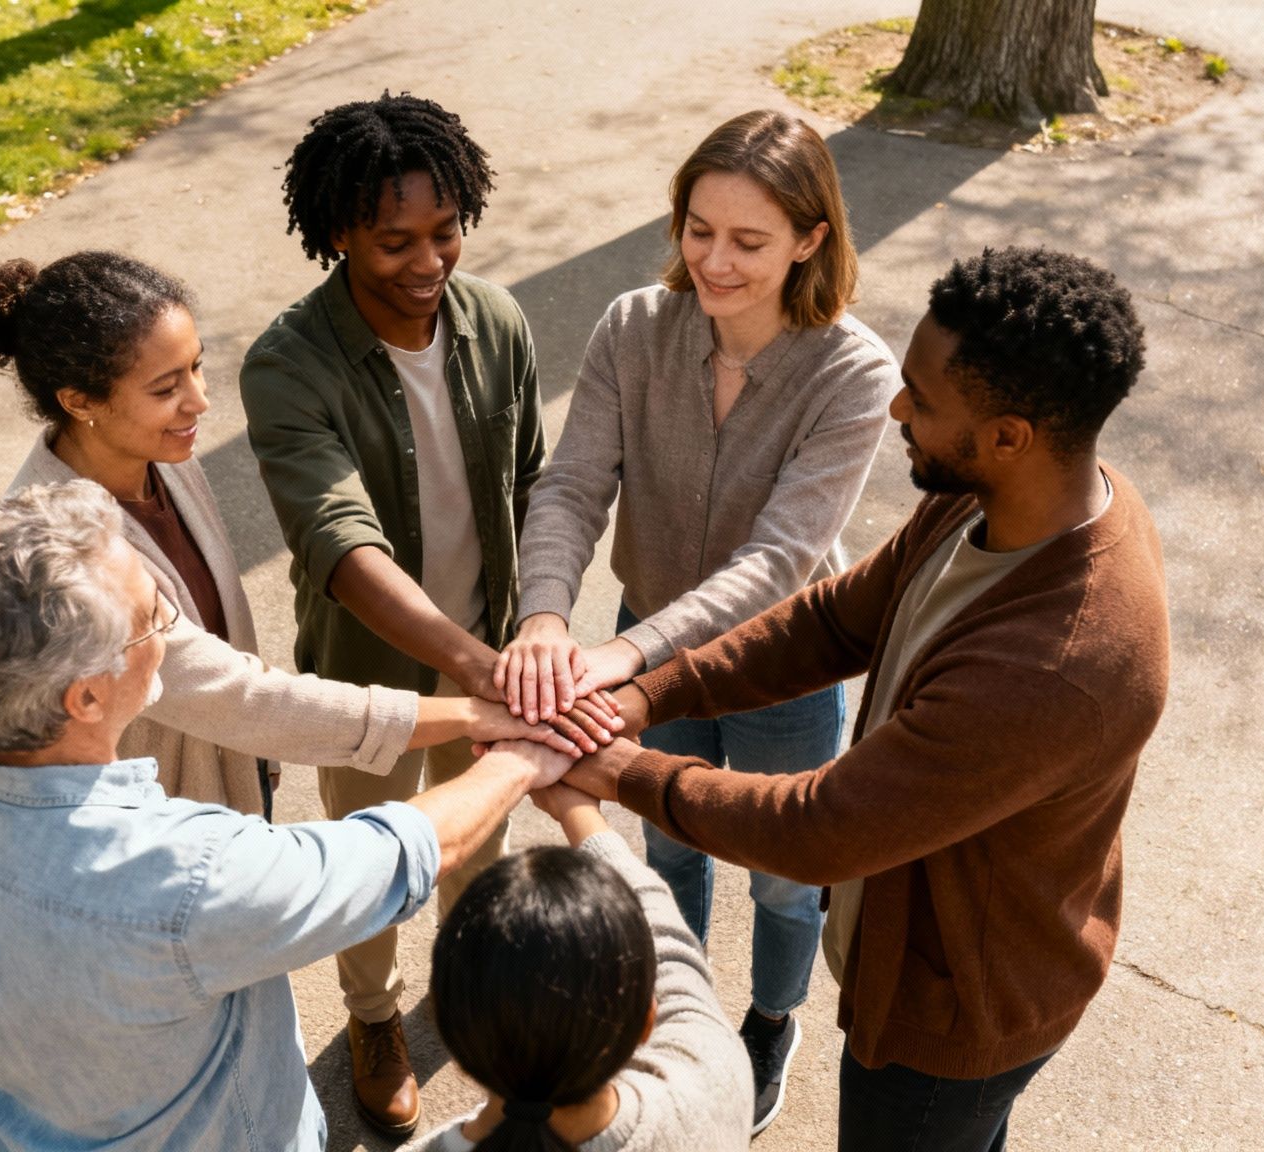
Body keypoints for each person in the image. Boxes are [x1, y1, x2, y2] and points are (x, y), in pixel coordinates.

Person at [563, 247, 1170, 1152]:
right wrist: (656, 691)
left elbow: (822, 827)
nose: (897, 411)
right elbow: (837, 619)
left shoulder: (1055, 663)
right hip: (927, 950)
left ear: (1009, 435)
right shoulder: (995, 502)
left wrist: (621, 774)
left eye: (922, 401)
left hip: (956, 1008)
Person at [0, 480, 578, 1152]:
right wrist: (521, 760)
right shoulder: (181, 875)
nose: (170, 629)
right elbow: (402, 852)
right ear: (83, 697)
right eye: (151, 620)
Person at [497, 108, 901, 1132]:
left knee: (779, 874)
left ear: (811, 238)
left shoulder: (852, 373)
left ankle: (770, 1018)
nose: (714, 262)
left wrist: (625, 657)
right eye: (696, 230)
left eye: (749, 241)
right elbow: (573, 484)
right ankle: (683, 1021)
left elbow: (777, 564)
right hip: (641, 640)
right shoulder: (634, 325)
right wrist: (545, 618)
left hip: (780, 665)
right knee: (668, 848)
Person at [0, 251, 615, 816]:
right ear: (79, 401)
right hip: (153, 820)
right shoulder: (64, 557)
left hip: (235, 776)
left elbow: (223, 628)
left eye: (197, 367)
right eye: (167, 387)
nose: (200, 403)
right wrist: (485, 711)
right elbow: (237, 698)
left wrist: (256, 765)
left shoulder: (161, 457)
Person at [240, 92, 564, 1135]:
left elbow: (531, 486)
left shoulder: (497, 321)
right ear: (336, 234)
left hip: (493, 653)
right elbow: (340, 546)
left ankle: (465, 997)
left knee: (476, 853)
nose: (428, 261)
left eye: (444, 232)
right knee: (370, 860)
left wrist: (531, 634)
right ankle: (374, 1017)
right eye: (393, 241)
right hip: (369, 675)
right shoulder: (288, 364)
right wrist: (471, 666)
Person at [409, 785, 753, 1152]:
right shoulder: (714, 1083)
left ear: (455, 1044)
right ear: (646, 1021)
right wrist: (575, 806)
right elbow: (671, 946)